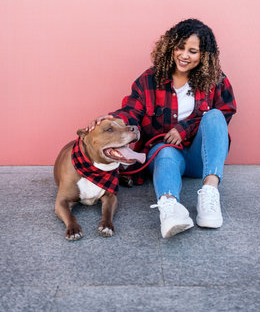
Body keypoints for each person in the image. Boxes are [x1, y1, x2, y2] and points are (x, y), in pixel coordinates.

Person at [88, 18, 237, 238]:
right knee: (166, 149)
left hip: (199, 159)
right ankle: (170, 209)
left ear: (204, 55)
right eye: (180, 47)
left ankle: (210, 194)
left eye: (193, 51)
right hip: (165, 157)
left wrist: (183, 128)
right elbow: (132, 111)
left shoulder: (216, 80)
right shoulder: (150, 79)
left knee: (215, 115)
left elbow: (226, 112)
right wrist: (112, 120)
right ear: (170, 47)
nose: (184, 55)